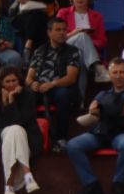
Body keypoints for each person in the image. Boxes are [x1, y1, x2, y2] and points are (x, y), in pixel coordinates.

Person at [65, 58, 124, 194]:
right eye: (115, 72)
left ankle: (118, 185)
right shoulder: (102, 94)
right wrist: (113, 108)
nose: (118, 76)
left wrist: (103, 109)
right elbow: (92, 109)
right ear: (110, 74)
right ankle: (91, 184)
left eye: (121, 72)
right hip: (99, 133)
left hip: (122, 133)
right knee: (72, 145)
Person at [24, 17, 81, 146]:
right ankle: (30, 135)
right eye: (58, 30)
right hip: (39, 88)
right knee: (27, 94)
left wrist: (52, 84)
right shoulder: (39, 51)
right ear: (49, 32)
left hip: (60, 87)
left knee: (64, 95)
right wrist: (33, 84)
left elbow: (71, 78)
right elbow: (28, 77)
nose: (62, 32)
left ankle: (61, 138)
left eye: (64, 30)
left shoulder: (72, 51)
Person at [0, 69, 41, 194]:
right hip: (5, 138)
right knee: (13, 130)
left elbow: (20, 121)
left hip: (28, 140)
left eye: (14, 81)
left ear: (19, 82)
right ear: (1, 84)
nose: (11, 84)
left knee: (16, 129)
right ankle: (28, 176)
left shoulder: (28, 95)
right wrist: (6, 101)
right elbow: (4, 123)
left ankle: (9, 187)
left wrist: (11, 101)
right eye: (7, 81)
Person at [58, 0, 108, 83]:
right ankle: (97, 67)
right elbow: (57, 38)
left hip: (84, 54)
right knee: (81, 35)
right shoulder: (63, 13)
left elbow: (102, 41)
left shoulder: (97, 16)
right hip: (66, 49)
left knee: (81, 57)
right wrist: (74, 33)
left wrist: (88, 41)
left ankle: (81, 98)